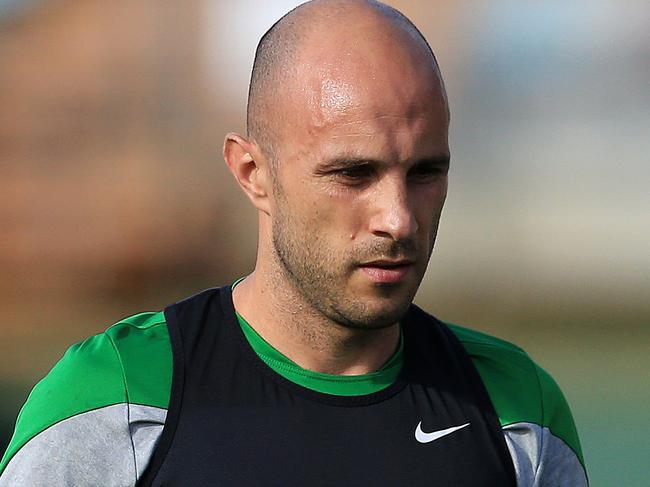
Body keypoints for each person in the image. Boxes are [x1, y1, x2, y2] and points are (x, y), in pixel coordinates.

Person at [0, 0, 588, 485]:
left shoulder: (519, 414)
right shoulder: (117, 400)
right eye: (353, 174)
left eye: (425, 173)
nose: (398, 219)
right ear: (254, 175)